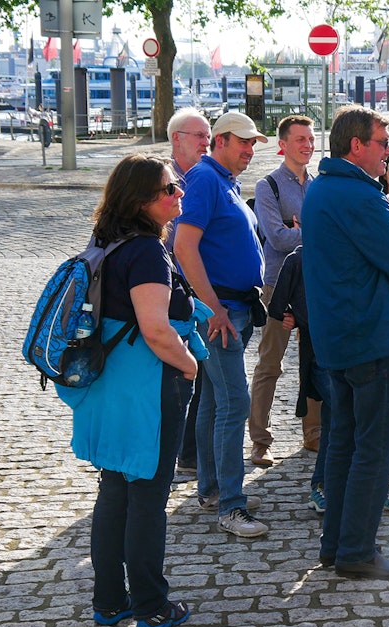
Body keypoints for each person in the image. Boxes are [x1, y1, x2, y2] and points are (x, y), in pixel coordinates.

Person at [63, 154, 200, 627]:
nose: (179, 195)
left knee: (116, 490)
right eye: (169, 190)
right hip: (146, 386)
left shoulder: (107, 241)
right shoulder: (145, 250)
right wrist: (190, 366)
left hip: (110, 385)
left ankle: (109, 601)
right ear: (141, 200)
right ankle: (152, 605)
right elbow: (157, 331)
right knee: (147, 496)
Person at [303, 105, 389, 579]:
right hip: (368, 338)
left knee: (344, 445)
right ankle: (356, 551)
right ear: (356, 145)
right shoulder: (360, 196)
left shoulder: (321, 188)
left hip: (336, 338)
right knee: (374, 449)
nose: (388, 152)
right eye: (382, 143)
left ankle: (336, 545)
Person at [267, 245, 389, 518]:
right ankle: (326, 486)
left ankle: (363, 486)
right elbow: (277, 308)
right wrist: (296, 317)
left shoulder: (354, 251)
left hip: (358, 351)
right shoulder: (300, 258)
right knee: (345, 417)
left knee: (346, 417)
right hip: (321, 357)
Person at [174, 111, 269, 538]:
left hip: (236, 309)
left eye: (253, 145)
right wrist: (211, 307)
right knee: (234, 403)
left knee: (213, 400)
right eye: (244, 143)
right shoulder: (205, 179)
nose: (250, 151)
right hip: (221, 313)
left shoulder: (223, 180)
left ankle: (212, 488)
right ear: (222, 141)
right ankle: (231, 505)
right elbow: (183, 245)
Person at [248, 115, 317, 467]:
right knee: (270, 364)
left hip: (315, 284)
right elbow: (276, 238)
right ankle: (260, 441)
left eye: (311, 138)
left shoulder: (318, 185)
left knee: (315, 360)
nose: (307, 145)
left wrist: (301, 228)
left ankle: (314, 435)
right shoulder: (268, 186)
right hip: (277, 284)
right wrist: (312, 231)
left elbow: (330, 233)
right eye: (300, 139)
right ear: (284, 145)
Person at [165, 107, 210, 476]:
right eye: (199, 135)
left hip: (196, 300)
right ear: (177, 138)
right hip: (164, 299)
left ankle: (191, 453)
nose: (206, 142)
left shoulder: (206, 178)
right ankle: (173, 452)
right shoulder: (160, 180)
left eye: (208, 135)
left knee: (200, 375)